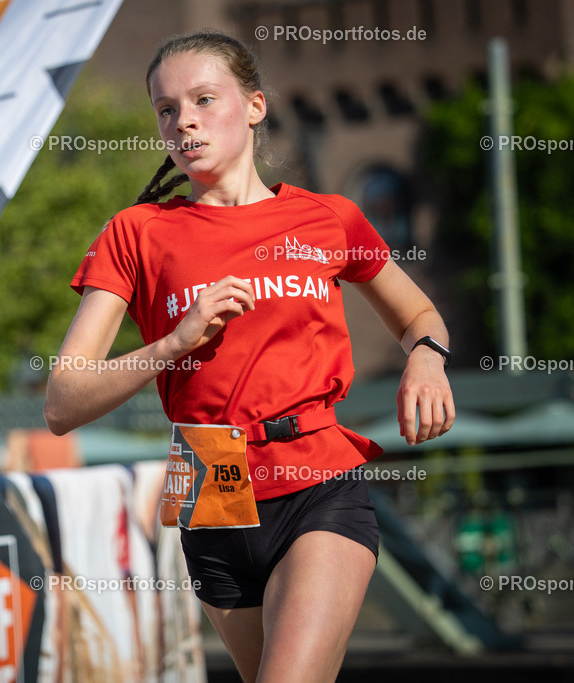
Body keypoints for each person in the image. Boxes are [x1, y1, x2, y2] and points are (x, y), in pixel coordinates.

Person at [43, 30, 455, 683]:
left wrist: (426, 359)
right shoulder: (138, 231)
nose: (185, 121)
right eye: (167, 109)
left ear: (255, 105)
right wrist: (176, 340)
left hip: (318, 479)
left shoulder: (330, 218)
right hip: (210, 484)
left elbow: (419, 316)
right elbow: (63, 401)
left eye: (205, 99)